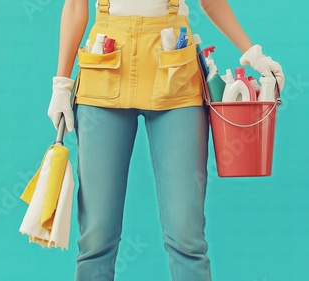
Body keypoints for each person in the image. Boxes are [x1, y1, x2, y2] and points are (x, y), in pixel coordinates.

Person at [47, 0, 284, 280]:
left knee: (187, 237)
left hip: (176, 78)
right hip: (104, 75)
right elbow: (75, 6)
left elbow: (210, 1)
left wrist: (253, 54)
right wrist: (61, 83)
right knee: (95, 239)